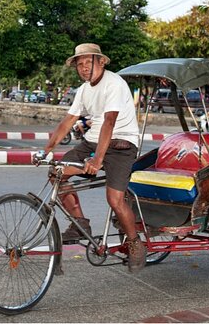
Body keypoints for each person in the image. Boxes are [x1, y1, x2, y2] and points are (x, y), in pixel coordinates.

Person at [35, 43, 146, 273]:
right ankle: (79, 224)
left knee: (115, 199)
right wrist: (45, 151)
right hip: (93, 141)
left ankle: (135, 242)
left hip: (121, 144)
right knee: (57, 171)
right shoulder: (84, 90)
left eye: (88, 63)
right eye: (80, 64)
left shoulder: (114, 84)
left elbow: (109, 122)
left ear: (101, 62)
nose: (84, 68)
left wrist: (97, 160)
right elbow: (68, 121)